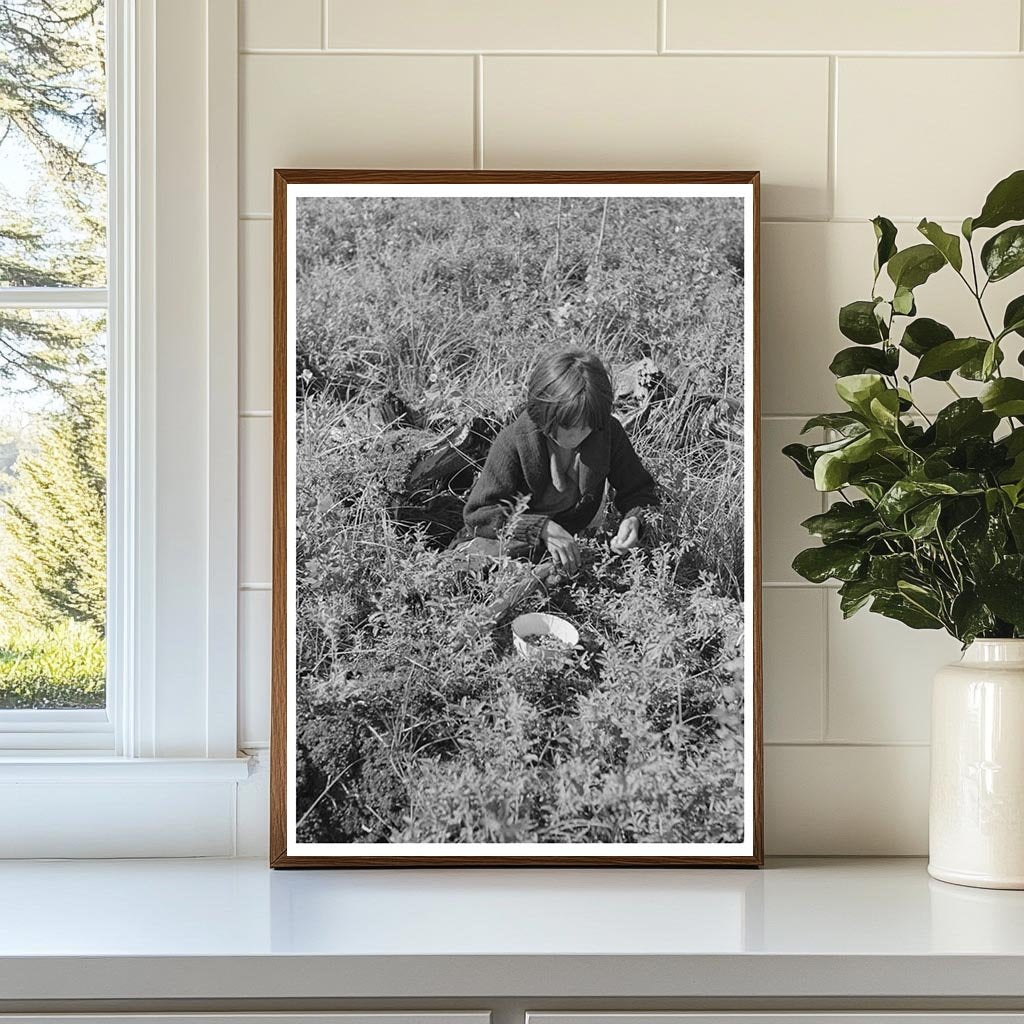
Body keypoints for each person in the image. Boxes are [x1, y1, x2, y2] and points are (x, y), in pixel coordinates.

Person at [453, 349, 660, 574]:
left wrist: (633, 521)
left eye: (585, 426)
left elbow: (640, 491)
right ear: (545, 415)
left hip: (568, 548)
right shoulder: (514, 441)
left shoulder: (606, 433)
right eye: (567, 426)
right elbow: (478, 514)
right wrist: (541, 528)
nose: (576, 436)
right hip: (501, 544)